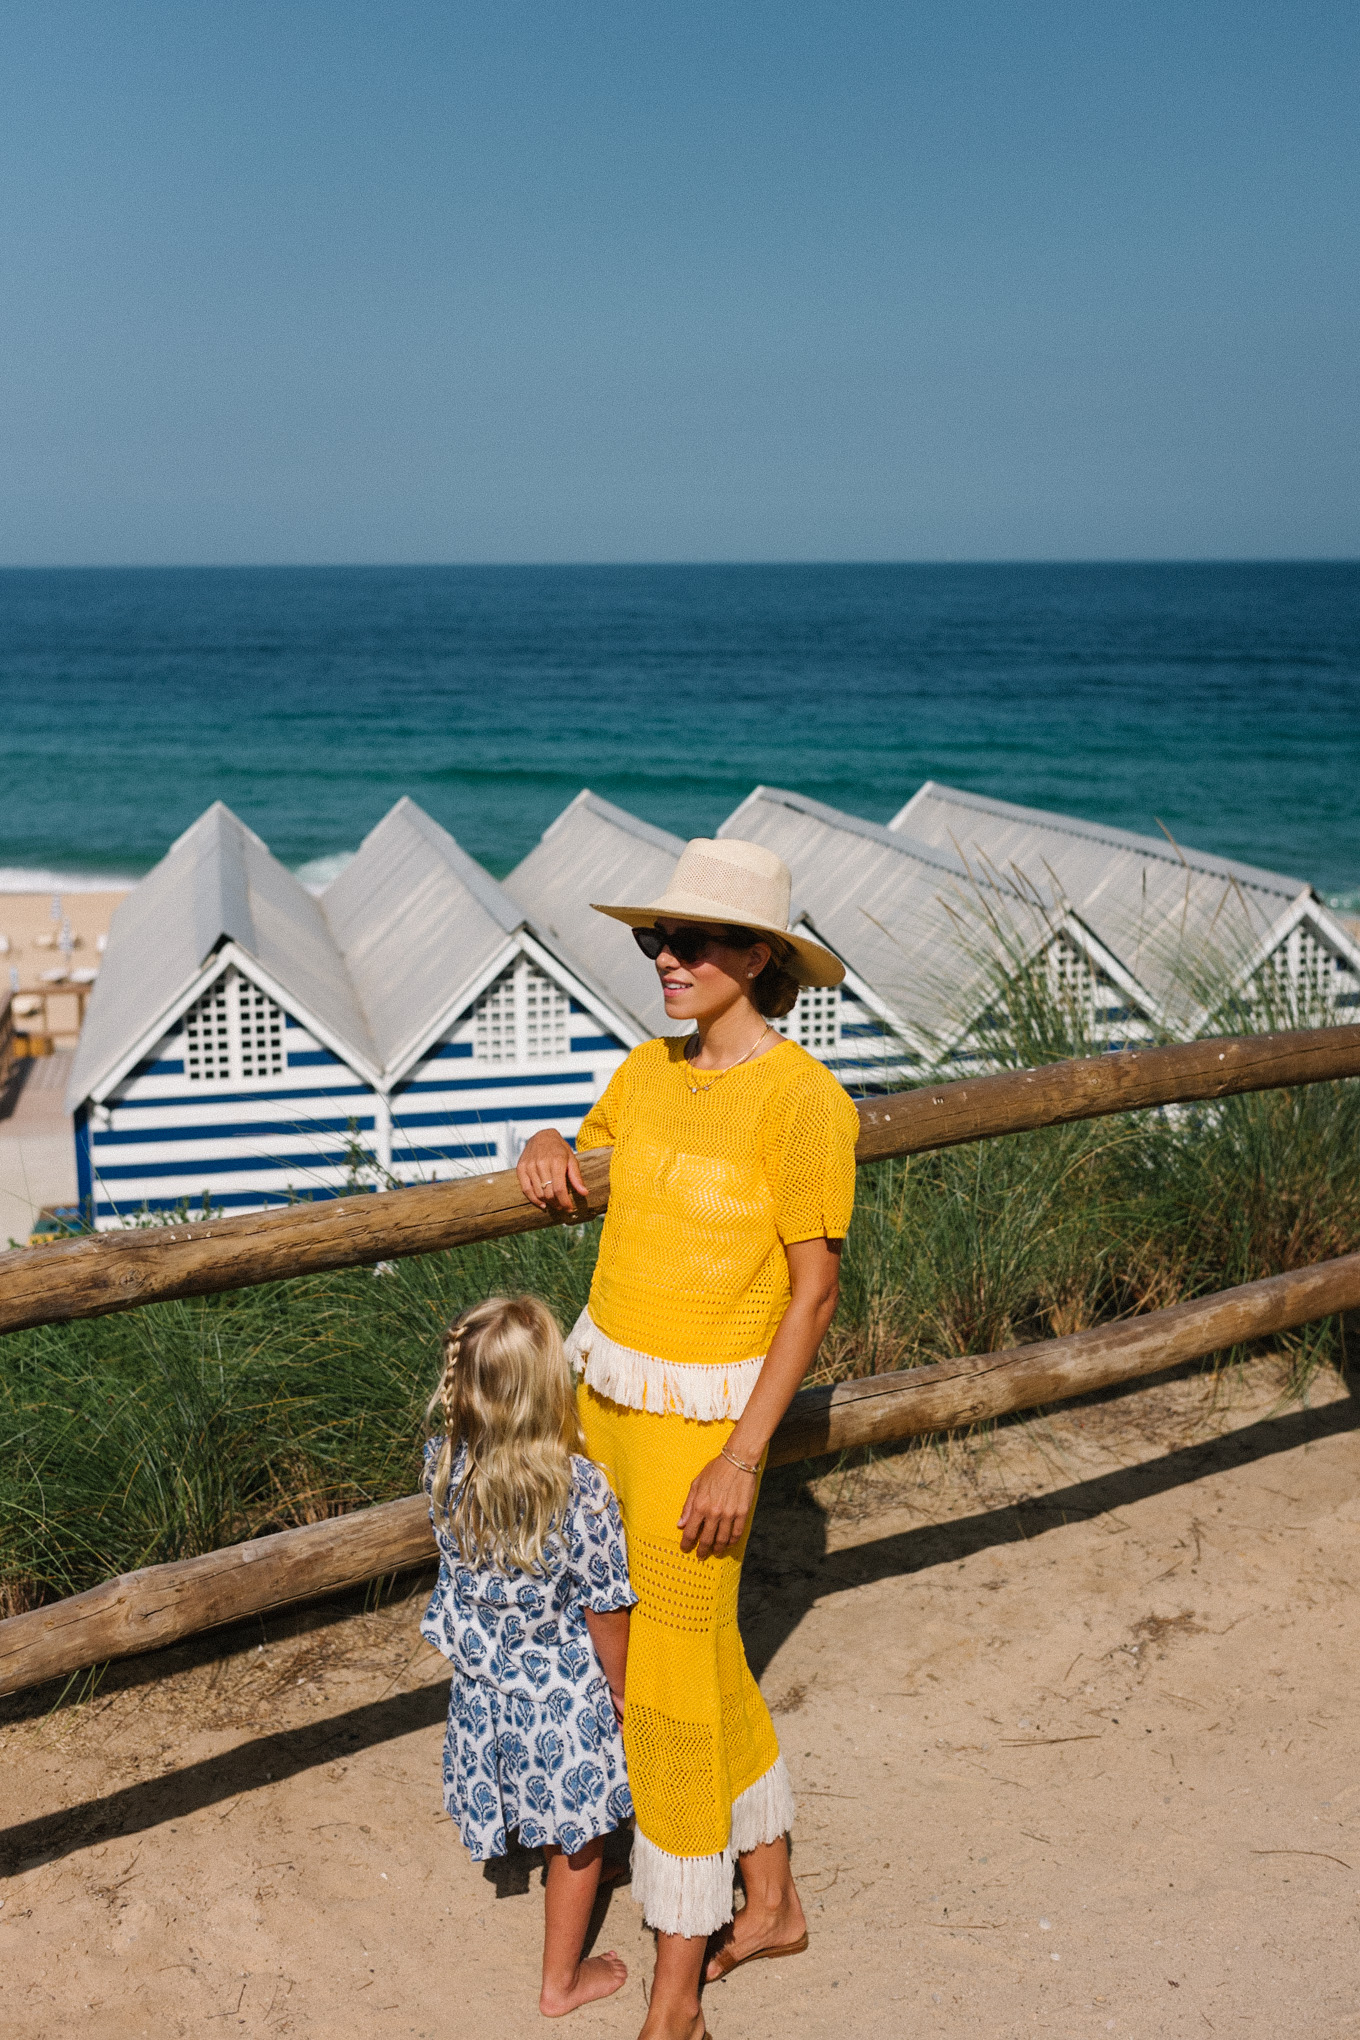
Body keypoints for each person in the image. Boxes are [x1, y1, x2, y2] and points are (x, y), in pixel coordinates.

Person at [518, 836, 860, 2040]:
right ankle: (772, 1904)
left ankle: (675, 1993)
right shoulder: (650, 1070)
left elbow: (811, 1296)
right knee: (699, 1663)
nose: (667, 957)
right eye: (655, 939)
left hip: (702, 1434)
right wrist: (551, 1145)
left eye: (694, 940)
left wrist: (741, 1456)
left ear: (756, 957)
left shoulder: (806, 1103)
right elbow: (592, 1144)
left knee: (663, 1692)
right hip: (597, 1396)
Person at [419, 1293, 638, 2019]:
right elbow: (604, 1604)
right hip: (561, 1688)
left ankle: (585, 1877)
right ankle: (561, 1982)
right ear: (549, 1388)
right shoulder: (583, 1494)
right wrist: (621, 1686)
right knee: (576, 1833)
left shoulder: (443, 1465)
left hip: (485, 1682)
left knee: (537, 1797)